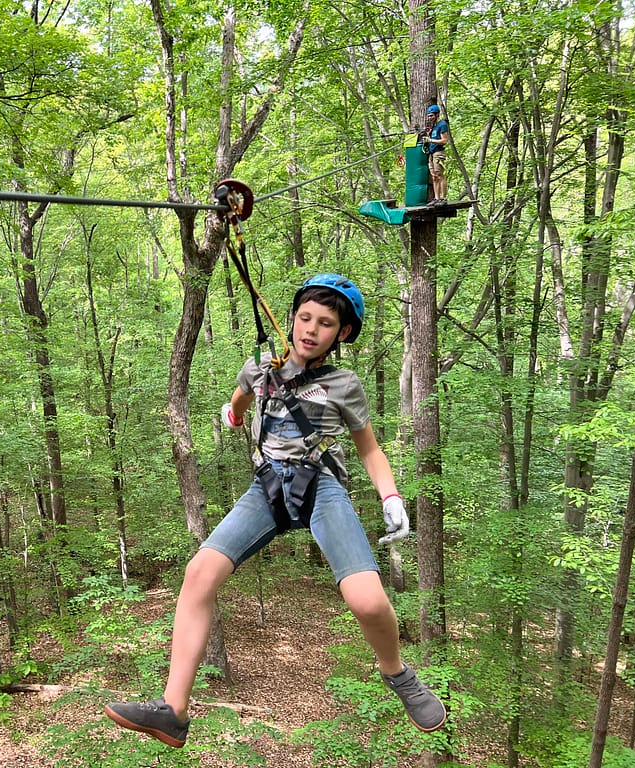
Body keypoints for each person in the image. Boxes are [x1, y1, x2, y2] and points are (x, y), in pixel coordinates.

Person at [105, 273, 446, 748]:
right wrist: (236, 413)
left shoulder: (343, 384)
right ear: (291, 319)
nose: (310, 329)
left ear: (342, 333)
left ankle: (398, 674)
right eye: (304, 317)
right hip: (266, 487)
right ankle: (173, 710)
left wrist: (390, 498)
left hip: (322, 486)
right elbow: (241, 395)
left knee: (367, 600)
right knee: (199, 573)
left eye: (325, 323)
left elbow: (368, 448)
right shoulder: (262, 367)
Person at [422, 104, 450, 204]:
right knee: (434, 176)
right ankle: (436, 198)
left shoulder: (442, 124)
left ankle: (443, 198)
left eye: (432, 115)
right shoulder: (433, 127)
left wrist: (431, 140)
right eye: (428, 116)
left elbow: (444, 140)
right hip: (431, 153)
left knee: (439, 174)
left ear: (437, 115)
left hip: (439, 152)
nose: (430, 118)